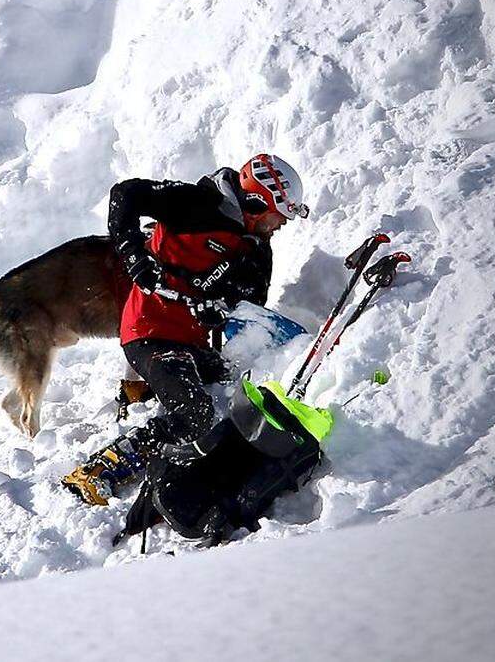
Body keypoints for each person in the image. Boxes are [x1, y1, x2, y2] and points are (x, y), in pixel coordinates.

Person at [62, 153, 310, 509]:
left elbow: (247, 304)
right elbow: (125, 195)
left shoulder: (257, 249)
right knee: (195, 413)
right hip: (150, 330)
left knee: (233, 388)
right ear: (256, 202)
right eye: (278, 215)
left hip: (191, 342)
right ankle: (101, 468)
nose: (281, 225)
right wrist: (134, 255)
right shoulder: (197, 203)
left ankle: (145, 397)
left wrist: (219, 309)